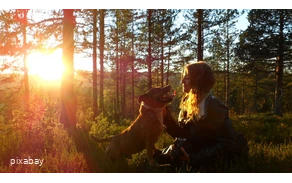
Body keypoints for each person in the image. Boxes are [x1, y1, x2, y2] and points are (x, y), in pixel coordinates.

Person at [157, 61, 249, 175]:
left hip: (212, 158)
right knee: (156, 159)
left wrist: (192, 158)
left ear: (198, 80)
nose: (182, 81)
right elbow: (184, 135)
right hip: (198, 152)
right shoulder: (188, 102)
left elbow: (227, 144)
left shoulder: (213, 106)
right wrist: (166, 117)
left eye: (187, 78)